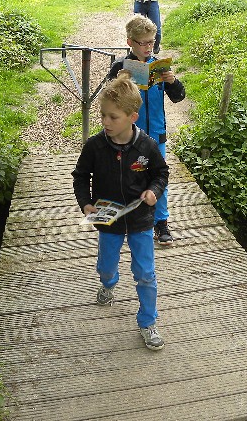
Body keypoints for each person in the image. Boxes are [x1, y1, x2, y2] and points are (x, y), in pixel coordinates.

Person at [72, 70, 169, 351]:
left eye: (113, 117)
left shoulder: (147, 146)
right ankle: (108, 283)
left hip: (140, 220)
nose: (105, 122)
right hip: (108, 221)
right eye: (103, 115)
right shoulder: (95, 146)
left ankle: (148, 322)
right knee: (105, 266)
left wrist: (154, 191)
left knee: (145, 273)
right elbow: (80, 177)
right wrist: (86, 203)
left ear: (132, 117)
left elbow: (161, 173)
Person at [109, 14, 185, 246]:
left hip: (156, 134)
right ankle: (126, 219)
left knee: (159, 178)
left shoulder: (160, 66)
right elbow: (108, 103)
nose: (148, 47)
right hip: (128, 136)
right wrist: (119, 82)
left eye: (152, 41)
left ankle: (161, 222)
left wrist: (172, 81)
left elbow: (179, 97)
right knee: (127, 177)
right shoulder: (120, 67)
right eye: (143, 43)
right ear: (130, 42)